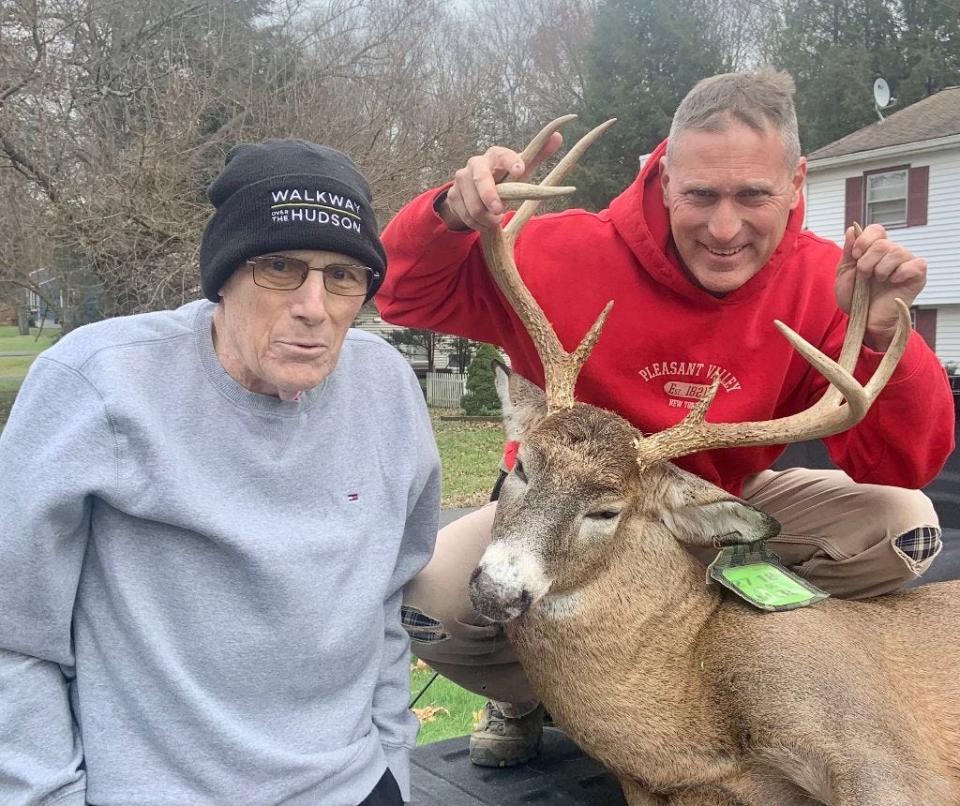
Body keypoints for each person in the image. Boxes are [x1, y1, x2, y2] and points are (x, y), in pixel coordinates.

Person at [377, 68, 955, 768]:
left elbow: (903, 463)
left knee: (905, 529)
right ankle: (543, 695)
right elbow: (406, 295)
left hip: (705, 506)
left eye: (753, 196)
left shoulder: (827, 283)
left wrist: (882, 330)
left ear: (797, 182)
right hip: (559, 502)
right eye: (701, 195)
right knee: (431, 609)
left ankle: (754, 683)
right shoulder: (562, 252)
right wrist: (448, 216)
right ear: (664, 176)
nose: (723, 227)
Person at [0, 139, 441, 805]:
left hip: (349, 784)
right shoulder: (99, 385)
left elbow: (385, 596)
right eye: (281, 267)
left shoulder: (387, 391)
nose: (314, 306)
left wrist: (390, 768)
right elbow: (14, 638)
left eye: (344, 276)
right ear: (225, 276)